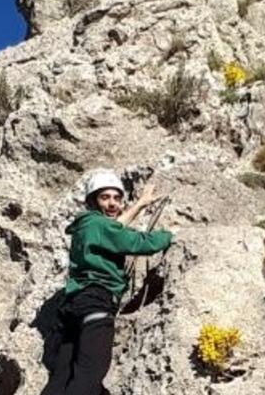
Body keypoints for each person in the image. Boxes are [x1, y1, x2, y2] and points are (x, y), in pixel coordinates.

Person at [42, 169, 173, 395]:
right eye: (105, 197)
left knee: (60, 380)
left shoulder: (88, 226)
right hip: (96, 302)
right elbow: (139, 242)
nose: (112, 203)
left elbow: (113, 229)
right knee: (89, 377)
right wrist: (170, 236)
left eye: (117, 198)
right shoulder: (98, 225)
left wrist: (140, 204)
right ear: (93, 201)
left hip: (72, 308)